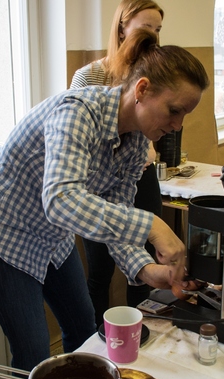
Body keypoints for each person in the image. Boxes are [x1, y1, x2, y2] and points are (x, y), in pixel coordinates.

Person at [0, 28, 209, 375]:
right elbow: (60, 200)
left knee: (84, 330)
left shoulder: (136, 141)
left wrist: (147, 270)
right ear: (142, 90)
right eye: (174, 110)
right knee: (33, 353)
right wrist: (153, 226)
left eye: (184, 115)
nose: (177, 125)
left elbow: (116, 218)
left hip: (53, 238)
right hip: (2, 237)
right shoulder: (77, 113)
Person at [70, 0, 164, 328]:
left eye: (158, 29)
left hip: (140, 176)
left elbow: (147, 137)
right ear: (123, 28)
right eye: (146, 27)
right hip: (97, 185)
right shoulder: (89, 77)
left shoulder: (154, 76)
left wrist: (146, 150)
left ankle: (141, 332)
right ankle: (100, 337)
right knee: (100, 270)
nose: (153, 36)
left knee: (143, 261)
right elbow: (79, 143)